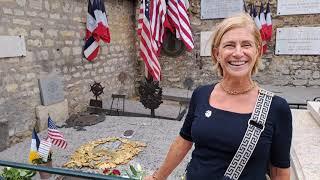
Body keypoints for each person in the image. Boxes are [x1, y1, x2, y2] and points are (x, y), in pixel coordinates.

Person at [144, 13, 292, 180]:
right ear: (217, 53)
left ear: (257, 51)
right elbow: (183, 141)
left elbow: (280, 170)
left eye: (246, 45)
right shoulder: (201, 94)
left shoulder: (276, 107)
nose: (238, 53)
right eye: (229, 45)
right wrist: (157, 177)